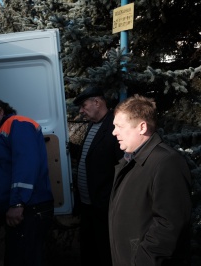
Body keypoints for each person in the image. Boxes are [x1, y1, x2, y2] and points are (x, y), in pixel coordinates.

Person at [109, 94, 192, 266]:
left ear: (142, 127)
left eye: (119, 126)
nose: (114, 132)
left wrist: (143, 260)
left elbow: (169, 224)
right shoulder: (130, 161)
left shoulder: (167, 162)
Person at [0, 97, 54, 266]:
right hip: (21, 208)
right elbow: (0, 173)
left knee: (27, 259)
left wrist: (17, 204)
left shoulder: (18, 124)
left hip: (30, 207)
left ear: (0, 111)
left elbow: (25, 164)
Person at [72, 86, 124, 266]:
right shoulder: (94, 125)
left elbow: (122, 166)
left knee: (104, 253)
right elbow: (95, 155)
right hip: (88, 206)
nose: (81, 111)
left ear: (97, 102)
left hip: (104, 207)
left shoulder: (114, 126)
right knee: (89, 251)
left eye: (83, 105)